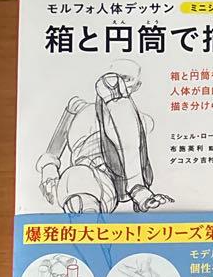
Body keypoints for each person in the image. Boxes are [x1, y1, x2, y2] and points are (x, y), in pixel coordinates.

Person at [37, 60, 173, 214]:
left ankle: (137, 189)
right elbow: (53, 150)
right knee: (76, 181)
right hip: (81, 173)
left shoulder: (143, 121)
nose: (116, 83)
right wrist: (49, 169)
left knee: (81, 186)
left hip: (114, 179)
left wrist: (138, 188)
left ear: (137, 85)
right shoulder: (78, 107)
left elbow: (131, 150)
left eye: (126, 79)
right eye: (112, 76)